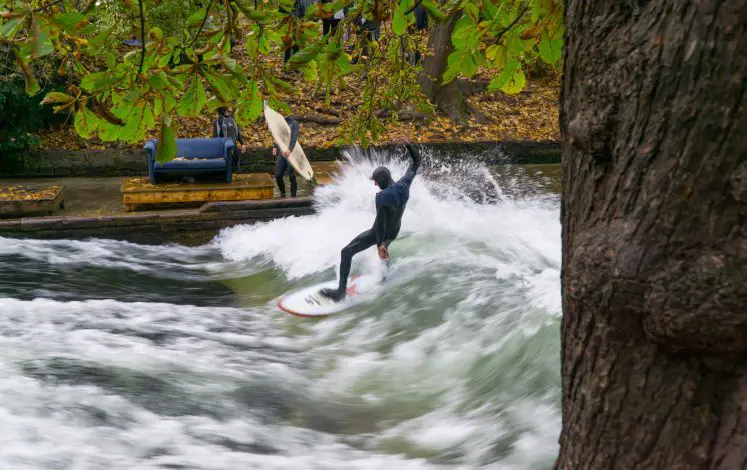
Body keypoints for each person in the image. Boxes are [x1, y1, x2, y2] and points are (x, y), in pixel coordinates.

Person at [320, 141, 422, 302]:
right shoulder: (404, 185)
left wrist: (379, 243)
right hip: (394, 231)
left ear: (381, 181)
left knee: (346, 252)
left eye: (375, 181)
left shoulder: (381, 197)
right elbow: (417, 161)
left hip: (379, 232)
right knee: (384, 251)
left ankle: (340, 293)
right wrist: (408, 144)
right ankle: (385, 279)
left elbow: (380, 224)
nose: (374, 184)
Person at [272, 116, 301, 198]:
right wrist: (275, 146)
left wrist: (290, 149)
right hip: (282, 151)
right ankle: (283, 194)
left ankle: (293, 197)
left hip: (292, 152)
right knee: (277, 175)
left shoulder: (293, 123)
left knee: (291, 174)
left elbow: (294, 137)